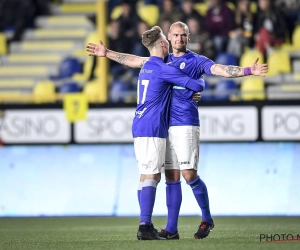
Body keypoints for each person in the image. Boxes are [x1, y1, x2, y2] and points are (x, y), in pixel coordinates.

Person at [86, 22, 268, 240]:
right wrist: (107, 53)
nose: (179, 39)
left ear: (188, 37)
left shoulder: (196, 60)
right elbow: (134, 60)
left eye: (183, 35)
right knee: (171, 176)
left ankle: (206, 217)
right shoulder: (162, 60)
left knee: (189, 174)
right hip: (164, 125)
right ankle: (171, 229)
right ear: (168, 39)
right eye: (175, 35)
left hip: (185, 123)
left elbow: (220, 70)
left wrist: (248, 71)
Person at [87, 26, 205, 240]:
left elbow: (131, 59)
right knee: (153, 175)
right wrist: (196, 87)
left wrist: (108, 53)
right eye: (167, 40)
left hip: (139, 124)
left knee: (145, 175)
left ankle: (148, 225)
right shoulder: (162, 68)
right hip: (153, 126)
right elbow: (196, 83)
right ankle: (145, 226)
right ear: (162, 43)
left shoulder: (147, 66)